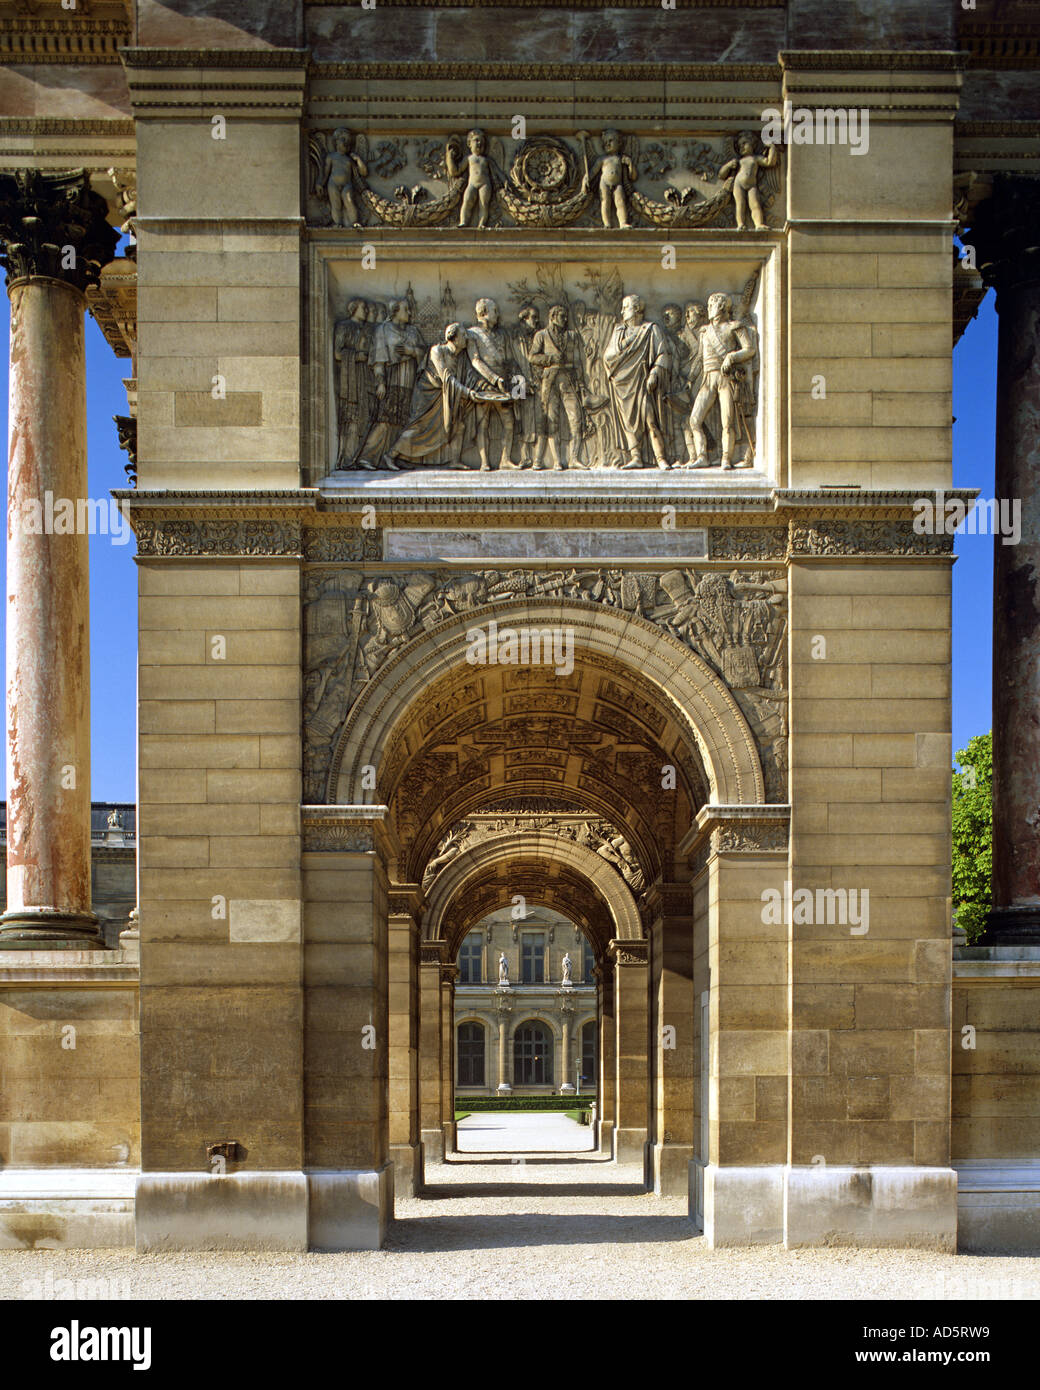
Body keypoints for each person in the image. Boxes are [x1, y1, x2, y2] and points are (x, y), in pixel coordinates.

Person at [390, 322, 498, 467]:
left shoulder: (461, 357)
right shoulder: (437, 351)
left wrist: (488, 387)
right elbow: (446, 377)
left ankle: (454, 461)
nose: (467, 338)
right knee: (419, 428)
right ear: (453, 338)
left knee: (459, 426)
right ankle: (390, 455)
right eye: (463, 335)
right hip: (427, 394)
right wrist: (468, 393)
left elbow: (469, 376)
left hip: (447, 394)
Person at [602, 293, 670, 469]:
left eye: (626, 306)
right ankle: (636, 457)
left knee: (650, 419)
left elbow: (662, 354)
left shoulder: (650, 329)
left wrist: (654, 372)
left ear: (637, 308)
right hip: (623, 383)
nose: (622, 310)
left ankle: (661, 458)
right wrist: (624, 344)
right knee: (627, 422)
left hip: (641, 380)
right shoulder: (619, 331)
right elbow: (608, 356)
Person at [688, 291, 756, 470]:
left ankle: (726, 458)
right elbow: (699, 359)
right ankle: (702, 456)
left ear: (722, 307)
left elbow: (749, 349)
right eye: (709, 305)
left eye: (712, 305)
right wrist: (690, 379)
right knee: (694, 420)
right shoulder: (705, 331)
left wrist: (732, 357)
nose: (709, 308)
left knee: (728, 422)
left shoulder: (734, 326)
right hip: (708, 379)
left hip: (727, 380)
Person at [357, 298, 426, 467]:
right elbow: (378, 359)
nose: (409, 313)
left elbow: (424, 353)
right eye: (406, 309)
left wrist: (413, 351)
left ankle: (395, 457)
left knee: (405, 420)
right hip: (392, 378)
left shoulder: (413, 332)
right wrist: (381, 382)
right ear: (395, 311)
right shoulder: (383, 330)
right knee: (385, 419)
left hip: (410, 380)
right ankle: (367, 456)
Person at [528, 302, 590, 470]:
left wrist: (582, 384)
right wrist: (549, 359)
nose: (565, 319)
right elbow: (532, 357)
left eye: (566, 316)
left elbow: (579, 361)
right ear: (552, 317)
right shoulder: (541, 335)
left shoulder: (572, 336)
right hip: (550, 381)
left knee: (576, 418)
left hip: (569, 380)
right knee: (552, 421)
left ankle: (574, 458)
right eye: (562, 316)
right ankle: (556, 461)